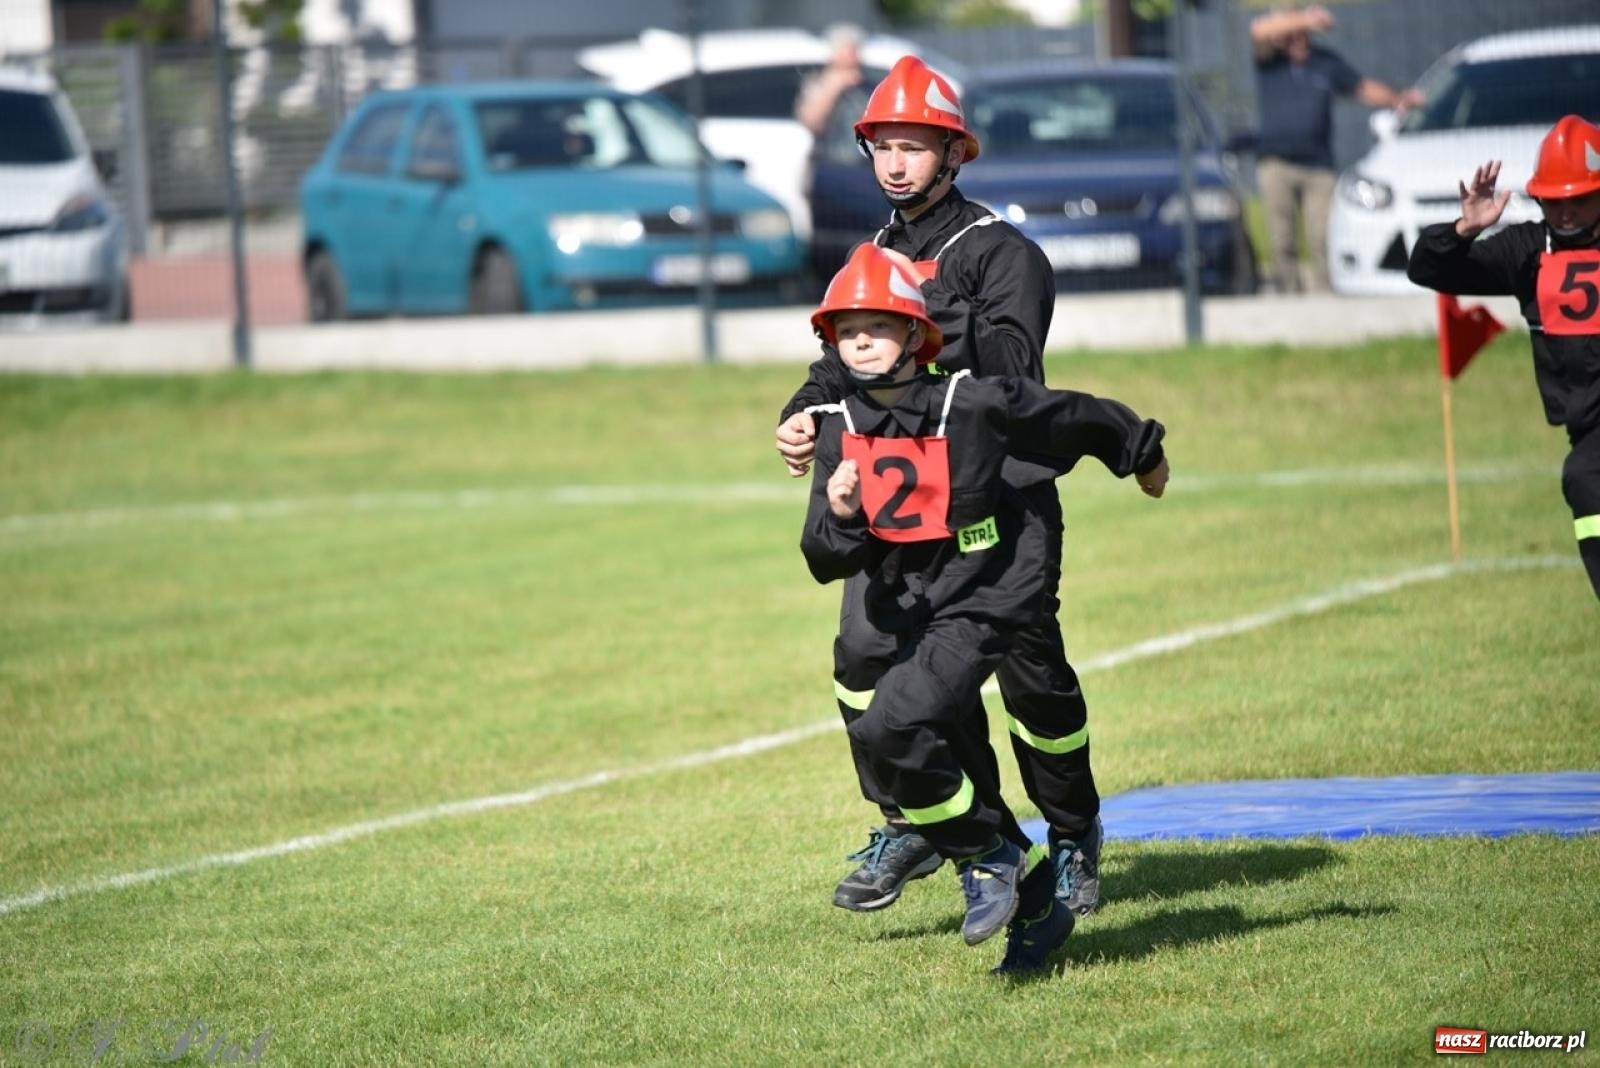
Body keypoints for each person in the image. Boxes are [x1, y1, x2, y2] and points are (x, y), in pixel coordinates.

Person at [775, 55, 1108, 925]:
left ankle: (1074, 834)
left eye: (915, 146)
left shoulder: (1002, 252)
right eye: (882, 145)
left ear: (954, 153)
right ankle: (947, 835)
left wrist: (925, 321)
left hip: (1004, 509)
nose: (894, 163)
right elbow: (834, 365)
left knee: (1034, 688)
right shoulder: (872, 254)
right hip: (899, 515)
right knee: (868, 661)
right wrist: (805, 413)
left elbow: (1014, 379)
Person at [801, 244, 1169, 972]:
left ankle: (988, 861)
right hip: (915, 596)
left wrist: (1142, 453)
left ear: (916, 336)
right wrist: (842, 511)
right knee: (893, 738)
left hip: (990, 586)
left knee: (898, 721)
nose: (863, 341)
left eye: (879, 325)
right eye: (848, 331)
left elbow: (1072, 415)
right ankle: (1030, 894)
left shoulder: (968, 402)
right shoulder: (838, 426)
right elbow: (822, 558)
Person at [1406, 115, 1600, 599]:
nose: (1568, 213)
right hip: (1588, 437)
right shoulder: (1528, 252)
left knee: (1584, 476)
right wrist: (1463, 228)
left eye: (1580, 199)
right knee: (1584, 479)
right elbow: (1426, 267)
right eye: (1555, 202)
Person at [1250, 4, 1423, 292]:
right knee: (1282, 239)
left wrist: (1399, 99)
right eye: (1289, 31)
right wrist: (1305, 17)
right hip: (1276, 163)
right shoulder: (1270, 61)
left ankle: (1324, 296)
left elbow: (1363, 88)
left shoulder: (1325, 62)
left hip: (1317, 165)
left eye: (1299, 32)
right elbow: (1258, 30)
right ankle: (1287, 296)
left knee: (1321, 236)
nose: (1294, 38)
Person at [794, 23, 866, 139]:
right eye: (852, 52)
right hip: (828, 154)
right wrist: (835, 86)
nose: (858, 59)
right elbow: (811, 121)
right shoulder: (818, 82)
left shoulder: (865, 85)